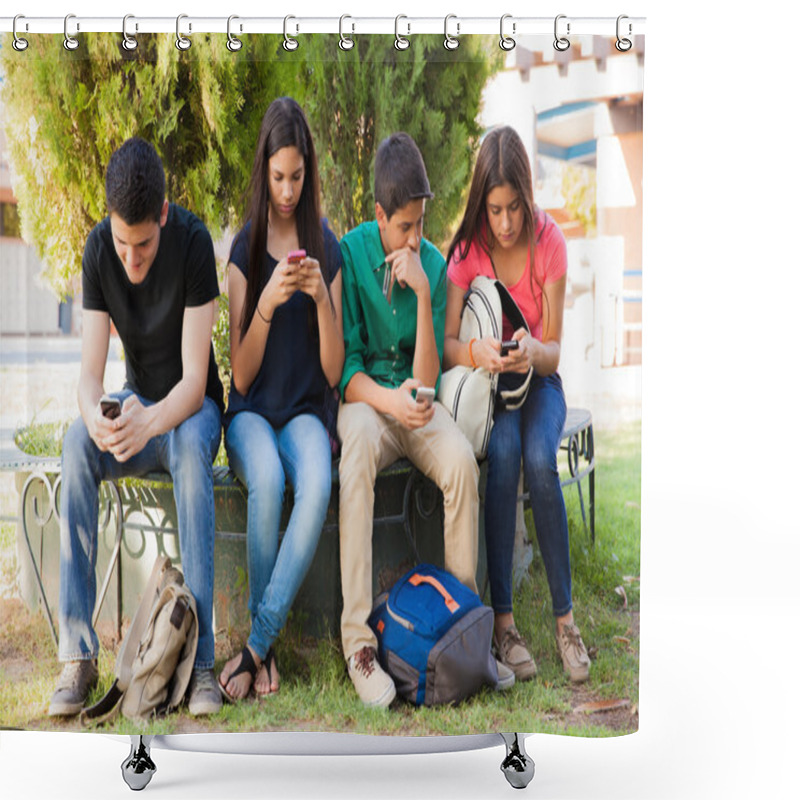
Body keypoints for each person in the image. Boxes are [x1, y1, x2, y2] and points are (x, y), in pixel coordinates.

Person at [49, 137, 226, 717]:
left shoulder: (195, 244)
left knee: (194, 470)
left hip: (188, 413)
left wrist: (150, 421)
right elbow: (89, 377)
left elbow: (196, 382)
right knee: (77, 444)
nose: (131, 258)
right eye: (122, 242)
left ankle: (201, 668)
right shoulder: (99, 250)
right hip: (139, 407)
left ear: (165, 215)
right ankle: (77, 656)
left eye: (143, 243)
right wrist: (95, 418)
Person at [337, 132, 514, 708]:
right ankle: (359, 644)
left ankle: (461, 632)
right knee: (357, 454)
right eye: (405, 226)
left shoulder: (432, 266)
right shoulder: (351, 252)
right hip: (369, 407)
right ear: (380, 216)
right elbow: (347, 372)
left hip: (418, 404)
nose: (415, 237)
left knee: (462, 463)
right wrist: (391, 403)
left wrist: (418, 293)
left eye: (421, 223)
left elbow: (430, 375)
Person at [444, 126, 591, 683]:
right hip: (491, 392)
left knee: (539, 461)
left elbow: (554, 351)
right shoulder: (468, 250)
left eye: (514, 208)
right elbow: (450, 346)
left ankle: (565, 621)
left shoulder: (549, 241)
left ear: (528, 198)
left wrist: (531, 350)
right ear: (482, 202)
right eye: (495, 209)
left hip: (542, 383)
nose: (505, 223)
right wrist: (481, 352)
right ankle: (504, 624)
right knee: (502, 456)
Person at [217, 97, 344, 702]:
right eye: (278, 177)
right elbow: (239, 378)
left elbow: (334, 370)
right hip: (251, 418)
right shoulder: (244, 249)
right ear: (263, 171)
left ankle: (256, 647)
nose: (288, 190)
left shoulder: (327, 245)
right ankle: (262, 651)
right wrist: (267, 301)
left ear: (308, 171)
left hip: (303, 413)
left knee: (315, 485)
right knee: (266, 480)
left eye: (297, 176)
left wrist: (321, 300)